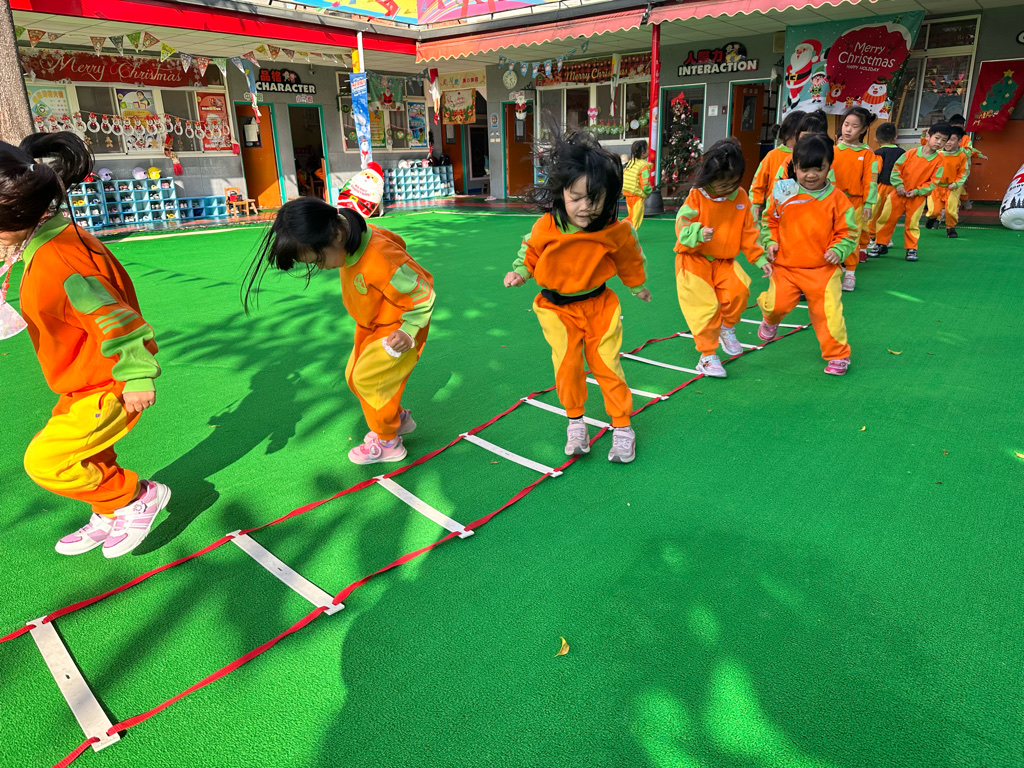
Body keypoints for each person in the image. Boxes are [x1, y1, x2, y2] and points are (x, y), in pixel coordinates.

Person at [1, 132, 170, 557]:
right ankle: (108, 509)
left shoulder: (59, 258)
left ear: (15, 215)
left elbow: (113, 315)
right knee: (91, 454)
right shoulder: (44, 241)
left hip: (106, 384)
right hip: (80, 381)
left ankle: (134, 497)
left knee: (46, 461)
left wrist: (136, 374)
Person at [243, 175, 435, 465]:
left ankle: (388, 442)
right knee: (353, 376)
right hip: (372, 323)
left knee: (368, 380)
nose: (319, 267)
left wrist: (408, 331)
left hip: (400, 328)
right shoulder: (348, 235)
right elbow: (398, 240)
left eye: (317, 260)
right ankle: (397, 419)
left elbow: (424, 292)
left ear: (335, 236)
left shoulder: (380, 258)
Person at [504, 125, 650, 464]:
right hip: (557, 309)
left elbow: (629, 257)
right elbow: (531, 250)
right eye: (576, 197)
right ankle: (575, 423)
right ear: (562, 193)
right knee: (567, 366)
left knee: (607, 364)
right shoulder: (548, 226)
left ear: (609, 197)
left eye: (595, 198)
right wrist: (521, 271)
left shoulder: (613, 230)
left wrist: (636, 286)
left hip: (600, 305)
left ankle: (623, 426)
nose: (586, 207)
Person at [757, 134, 856, 376]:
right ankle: (770, 319)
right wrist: (770, 242)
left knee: (828, 314)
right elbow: (769, 220)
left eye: (818, 169)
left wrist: (838, 249)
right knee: (775, 306)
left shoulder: (838, 199)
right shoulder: (783, 191)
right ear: (795, 166)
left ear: (829, 167)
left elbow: (849, 232)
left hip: (823, 271)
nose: (811, 175)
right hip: (786, 268)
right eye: (804, 169)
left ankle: (838, 355)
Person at [673, 139, 770, 378]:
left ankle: (727, 327)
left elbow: (749, 231)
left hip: (723, 261)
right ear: (709, 177)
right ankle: (707, 356)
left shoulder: (740, 197)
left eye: (733, 182)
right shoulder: (697, 196)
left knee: (740, 291)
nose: (728, 188)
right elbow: (681, 223)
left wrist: (760, 259)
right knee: (704, 308)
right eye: (722, 183)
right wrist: (697, 232)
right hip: (693, 260)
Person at [871, 123, 950, 261]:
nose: (939, 142)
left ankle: (911, 248)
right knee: (886, 218)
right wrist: (899, 186)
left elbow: (933, 182)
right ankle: (880, 244)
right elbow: (896, 170)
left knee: (912, 223)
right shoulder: (910, 153)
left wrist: (918, 191)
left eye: (943, 140)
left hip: (917, 198)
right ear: (928, 136)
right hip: (897, 194)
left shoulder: (939, 162)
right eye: (937, 138)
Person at [831, 106, 878, 291]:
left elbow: (870, 180)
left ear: (864, 129)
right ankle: (833, 272)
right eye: (846, 124)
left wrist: (868, 203)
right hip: (832, 201)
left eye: (854, 126)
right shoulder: (832, 151)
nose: (848, 129)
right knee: (831, 236)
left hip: (855, 203)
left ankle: (850, 273)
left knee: (852, 236)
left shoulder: (867, 154)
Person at [750, 110, 804, 221]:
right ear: (795, 132)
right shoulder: (773, 155)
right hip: (775, 211)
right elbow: (758, 182)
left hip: (801, 210)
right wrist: (755, 203)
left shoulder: (806, 155)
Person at [925, 126, 970, 238]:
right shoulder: (937, 153)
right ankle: (932, 217)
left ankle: (950, 228)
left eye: (952, 139)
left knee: (951, 210)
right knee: (934, 210)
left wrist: (956, 184)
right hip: (936, 187)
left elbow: (963, 172)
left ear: (959, 141)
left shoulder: (961, 156)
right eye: (946, 140)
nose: (948, 142)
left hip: (952, 187)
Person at [866, 121, 903, 255]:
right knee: (889, 215)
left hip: (881, 187)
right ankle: (887, 238)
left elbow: (876, 171)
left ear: (876, 139)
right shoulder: (903, 153)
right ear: (895, 137)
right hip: (897, 189)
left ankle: (872, 238)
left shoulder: (878, 153)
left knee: (874, 213)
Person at [621, 140, 653, 229]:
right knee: (636, 219)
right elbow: (644, 183)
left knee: (631, 216)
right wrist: (648, 191)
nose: (648, 151)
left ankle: (622, 229)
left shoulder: (631, 163)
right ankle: (624, 232)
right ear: (643, 153)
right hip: (637, 195)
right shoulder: (643, 166)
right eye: (647, 149)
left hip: (628, 193)